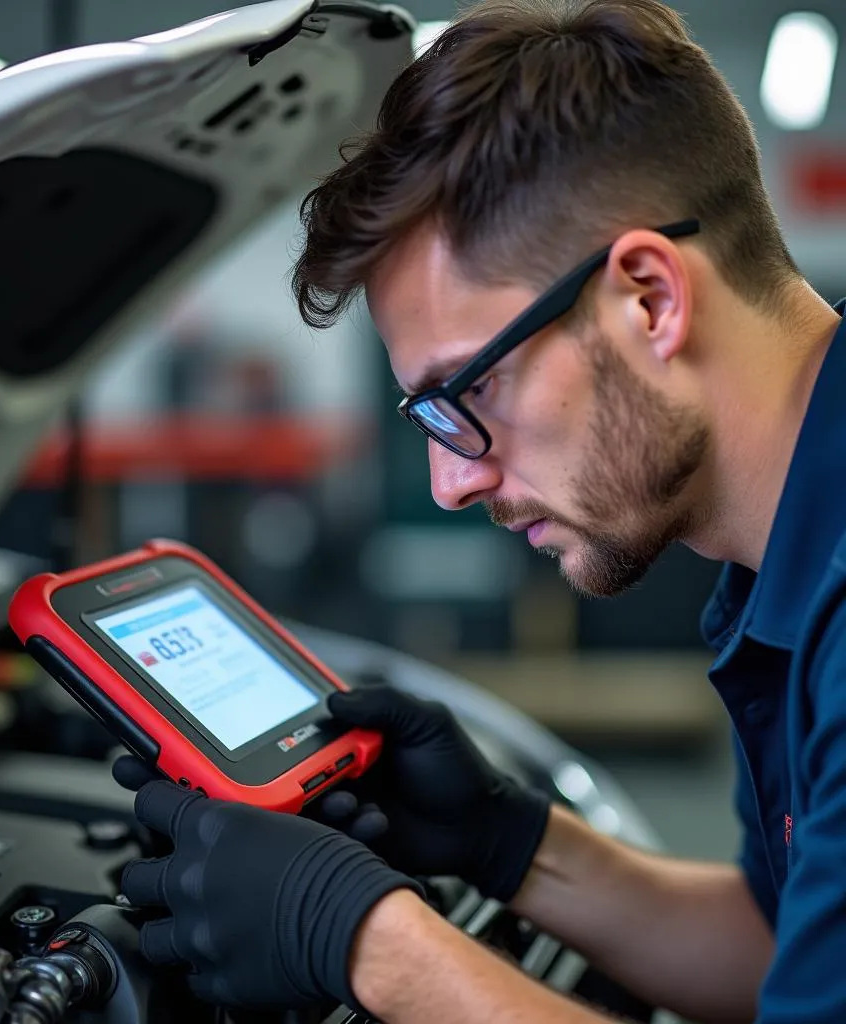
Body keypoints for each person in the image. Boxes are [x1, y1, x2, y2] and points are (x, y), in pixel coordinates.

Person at [111, 0, 846, 1020]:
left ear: (648, 300)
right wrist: (511, 842)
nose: (449, 482)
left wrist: (368, 939)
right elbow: (784, 953)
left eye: (467, 393)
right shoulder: (783, 566)